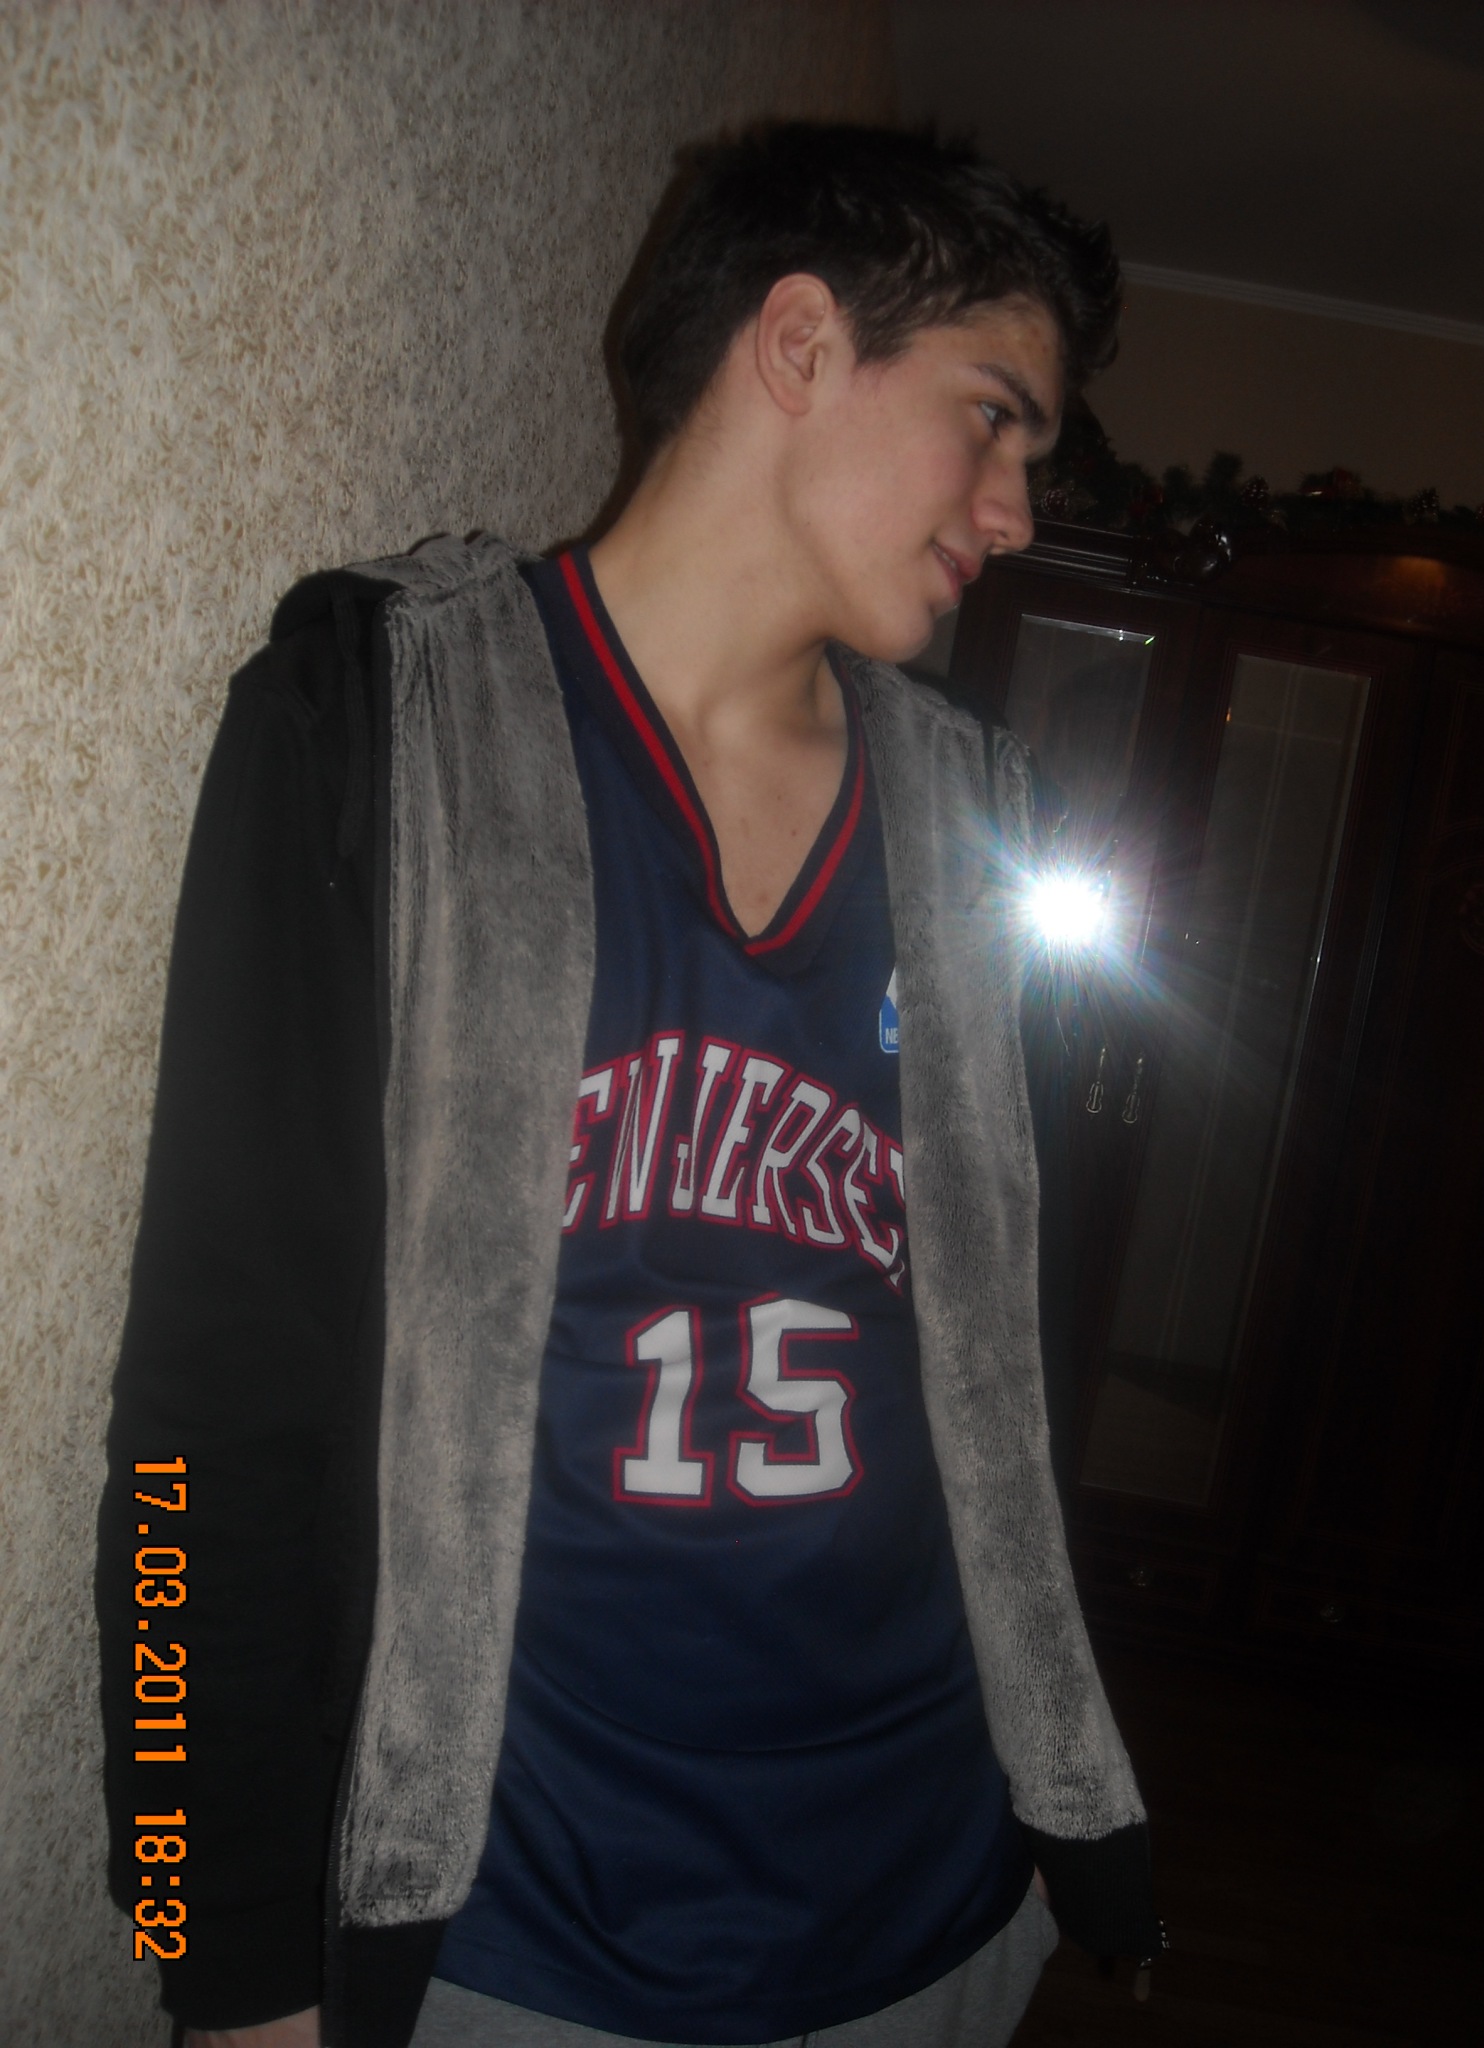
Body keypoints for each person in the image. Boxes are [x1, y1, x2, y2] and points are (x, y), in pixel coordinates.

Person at [98, 123, 1160, 2048]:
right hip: (506, 1944)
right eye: (996, 419)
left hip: (932, 1905)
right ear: (802, 341)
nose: (1016, 511)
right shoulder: (378, 728)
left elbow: (1007, 1390)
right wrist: (212, 1948)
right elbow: (206, 1413)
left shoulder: (982, 825)